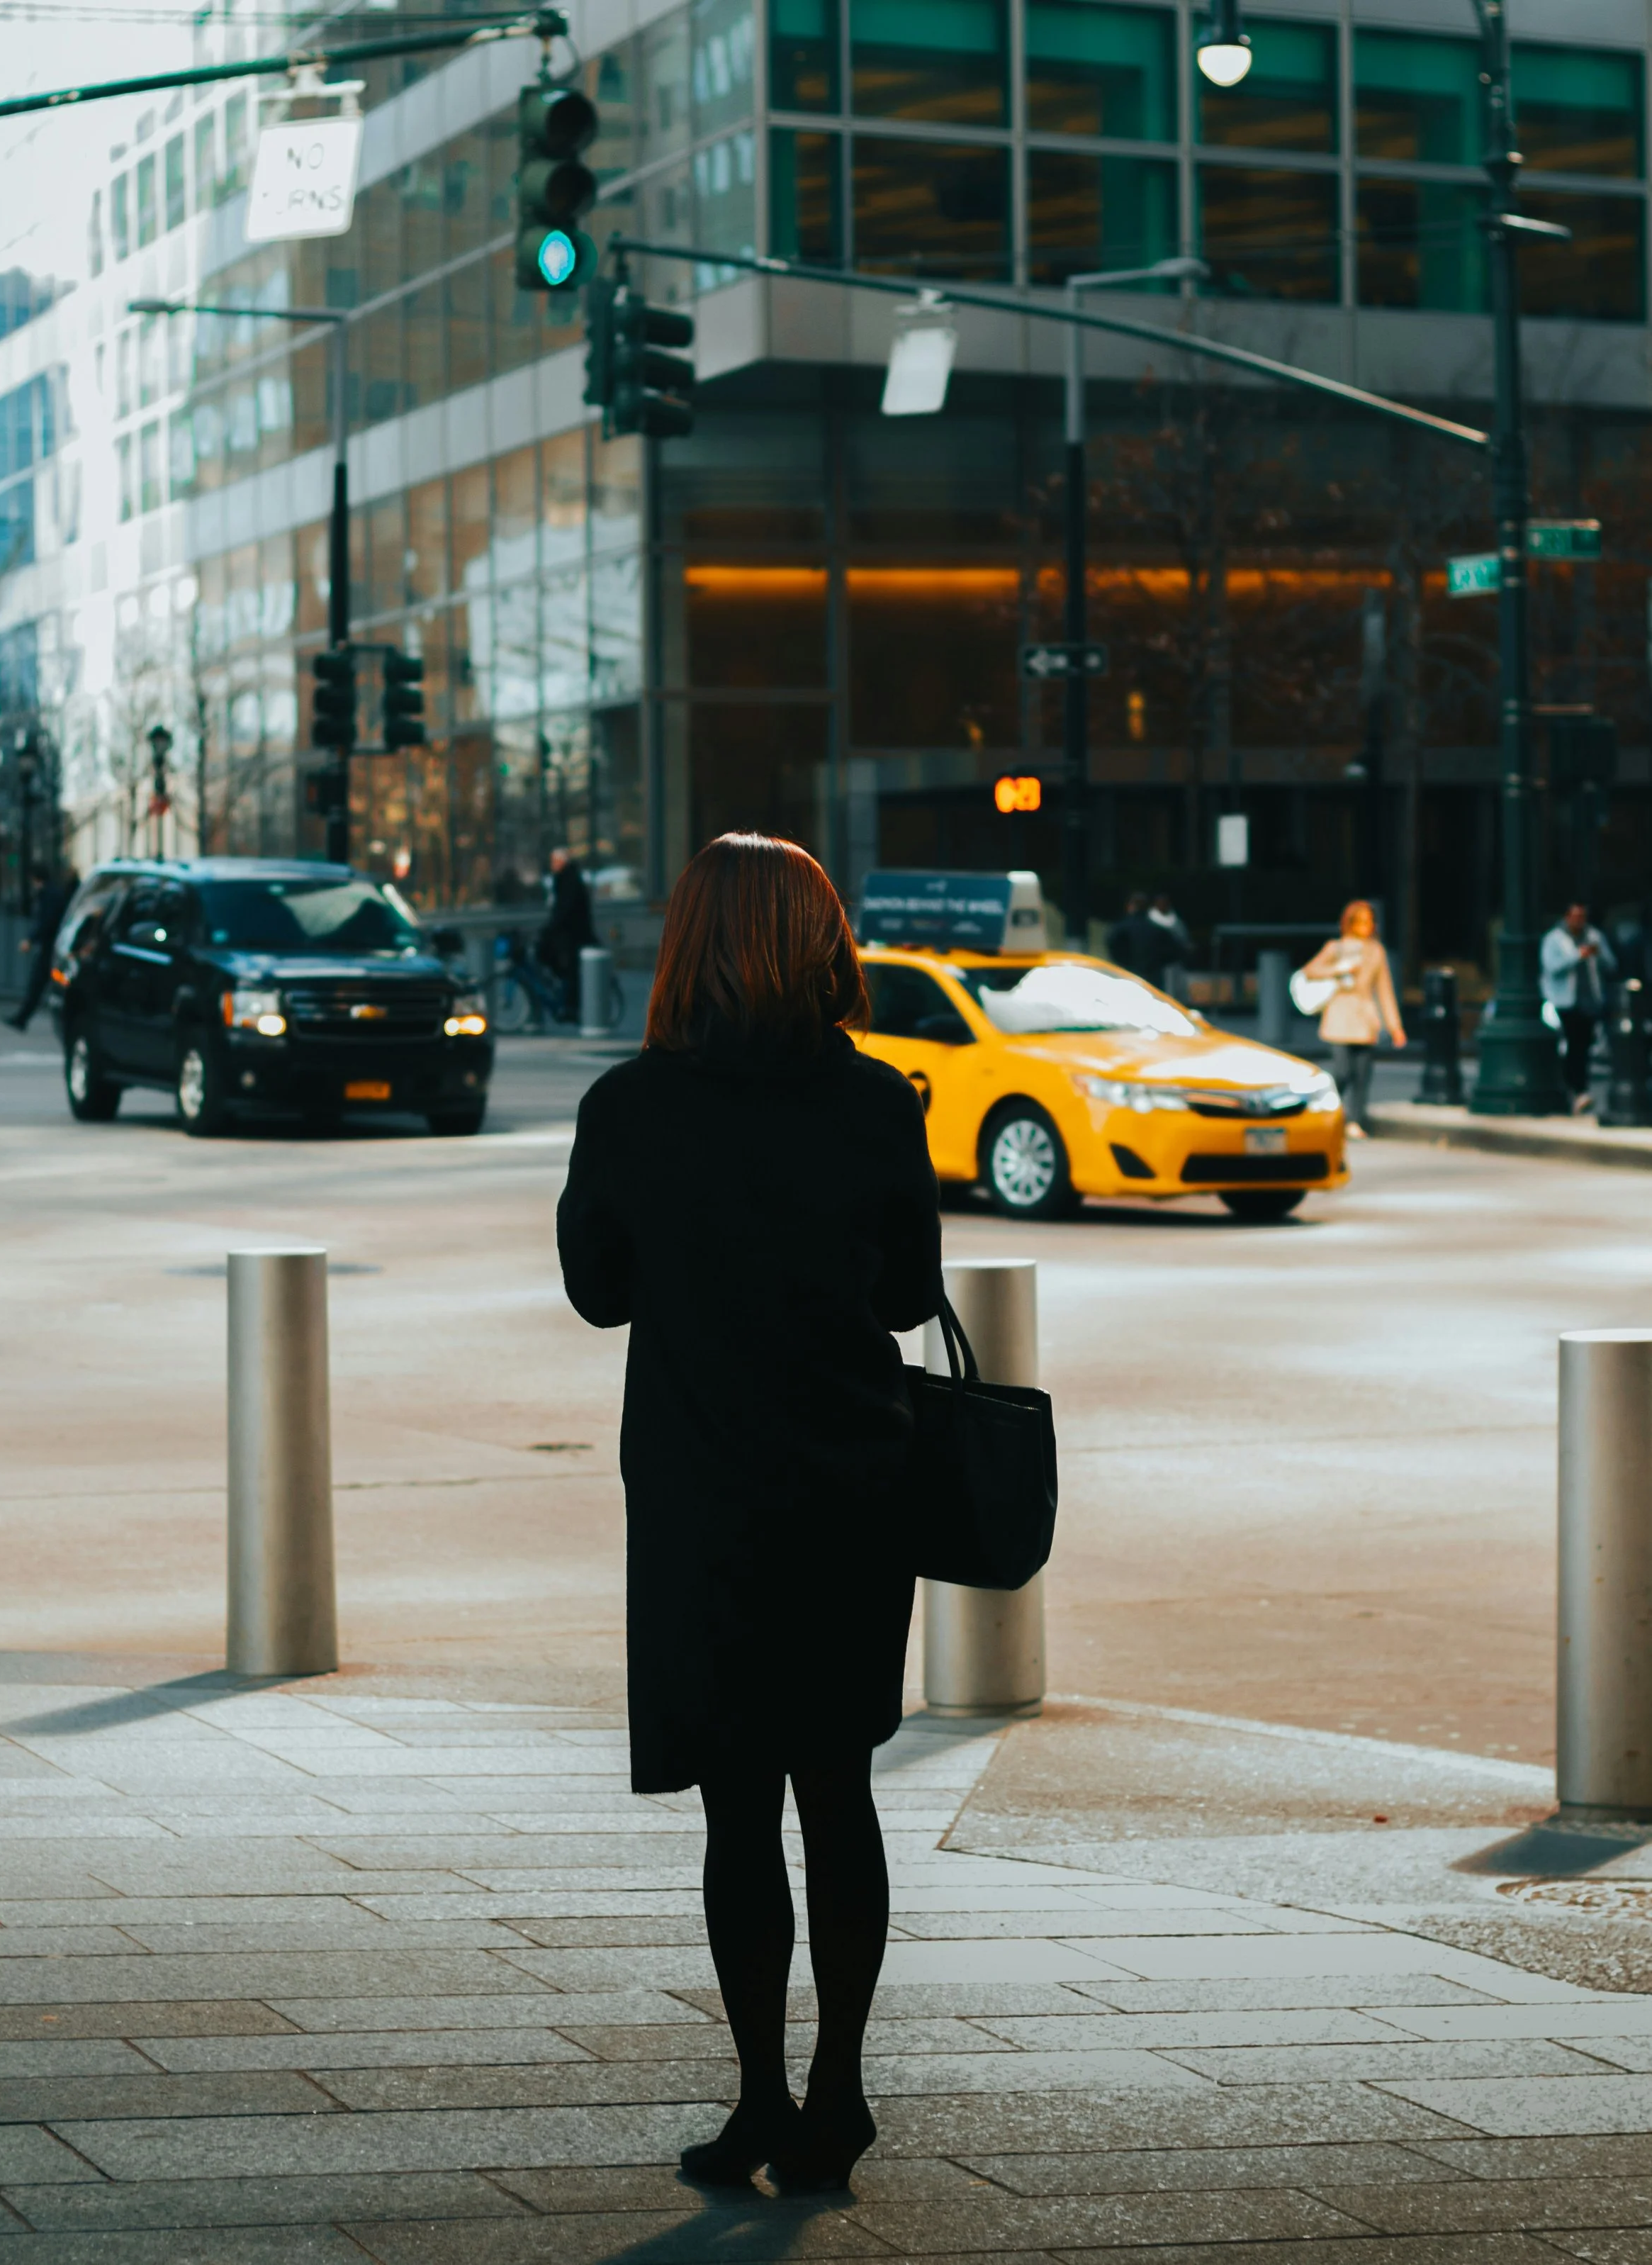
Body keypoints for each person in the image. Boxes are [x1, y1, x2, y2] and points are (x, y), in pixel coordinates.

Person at [557, 833, 942, 2193]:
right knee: (840, 1790)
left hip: (703, 1490)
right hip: (849, 1491)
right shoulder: (879, 1104)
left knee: (739, 1809)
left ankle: (760, 2099)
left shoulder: (633, 1110)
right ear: (824, 942)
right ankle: (839, 2093)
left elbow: (599, 1290)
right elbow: (905, 1298)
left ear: (686, 949)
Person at [1298, 899, 1404, 1136]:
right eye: (1361, 921)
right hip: (1340, 1017)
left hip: (1365, 1018)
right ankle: (1326, 1110)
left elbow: (1384, 991)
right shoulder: (1336, 948)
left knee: (1362, 1074)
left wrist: (1395, 1026)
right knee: (1343, 1071)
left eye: (1370, 922)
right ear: (1350, 923)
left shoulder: (1376, 952)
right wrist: (1339, 970)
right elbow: (1310, 971)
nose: (1367, 926)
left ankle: (1354, 1120)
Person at [1541, 902, 1617, 1114]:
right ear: (1566, 917)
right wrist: (1577, 955)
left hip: (1590, 1001)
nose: (1579, 921)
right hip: (1565, 1002)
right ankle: (1576, 1090)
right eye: (1575, 916)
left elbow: (1611, 965)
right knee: (1573, 1047)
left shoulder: (1594, 936)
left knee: (1582, 1047)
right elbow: (1551, 967)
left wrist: (1597, 953)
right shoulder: (1554, 939)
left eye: (1582, 916)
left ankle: (1577, 1091)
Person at [4, 863, 76, 1031]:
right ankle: (22, 1018)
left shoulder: (48, 895)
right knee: (51, 981)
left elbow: (47, 922)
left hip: (50, 949)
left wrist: (31, 939)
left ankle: (22, 1018)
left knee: (43, 982)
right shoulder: (53, 893)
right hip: (54, 947)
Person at [537, 845, 597, 1019]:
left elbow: (565, 910)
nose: (552, 865)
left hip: (573, 935)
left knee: (570, 970)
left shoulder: (569, 880)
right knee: (561, 966)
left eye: (555, 861)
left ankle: (572, 1007)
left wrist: (550, 928)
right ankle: (567, 1000)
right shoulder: (565, 879)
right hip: (568, 933)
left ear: (562, 862)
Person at [1105, 892, 1170, 986]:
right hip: (1153, 978)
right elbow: (1175, 951)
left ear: (1130, 906)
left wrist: (1122, 963)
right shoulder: (1158, 930)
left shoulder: (1120, 928)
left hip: (1127, 975)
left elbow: (1111, 946)